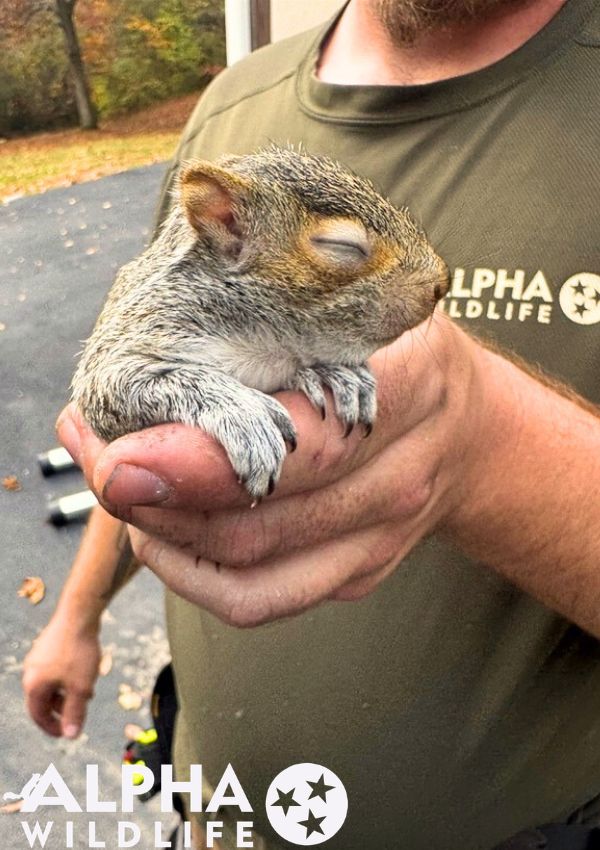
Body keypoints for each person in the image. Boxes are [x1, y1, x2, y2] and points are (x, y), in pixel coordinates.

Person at [23, 0, 600, 847]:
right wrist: (75, 619)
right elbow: (118, 410)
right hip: (221, 809)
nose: (434, 280)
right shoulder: (233, 108)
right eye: (336, 256)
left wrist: (486, 445)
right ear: (226, 230)